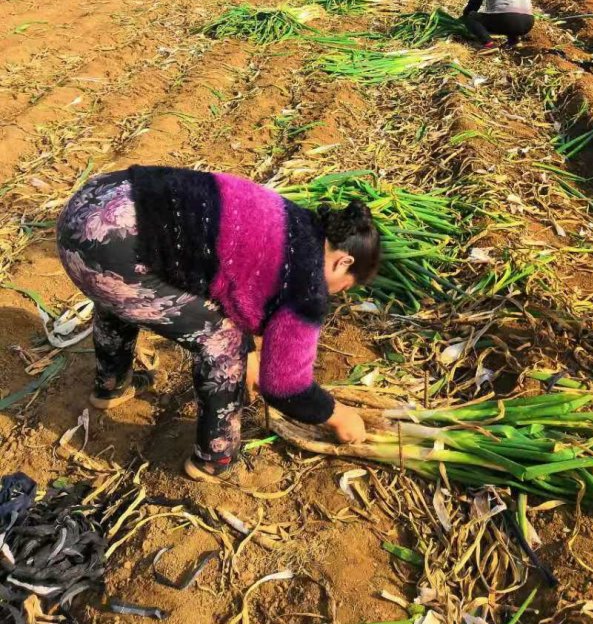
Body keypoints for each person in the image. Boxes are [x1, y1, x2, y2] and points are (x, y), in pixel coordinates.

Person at [56, 166, 380, 481]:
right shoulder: (308, 285)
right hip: (113, 248)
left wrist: (252, 352)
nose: (337, 293)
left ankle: (111, 385)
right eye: (346, 285)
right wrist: (338, 417)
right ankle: (215, 458)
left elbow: (226, 275)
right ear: (344, 261)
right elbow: (285, 388)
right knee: (223, 341)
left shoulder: (291, 218)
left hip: (90, 210)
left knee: (122, 291)